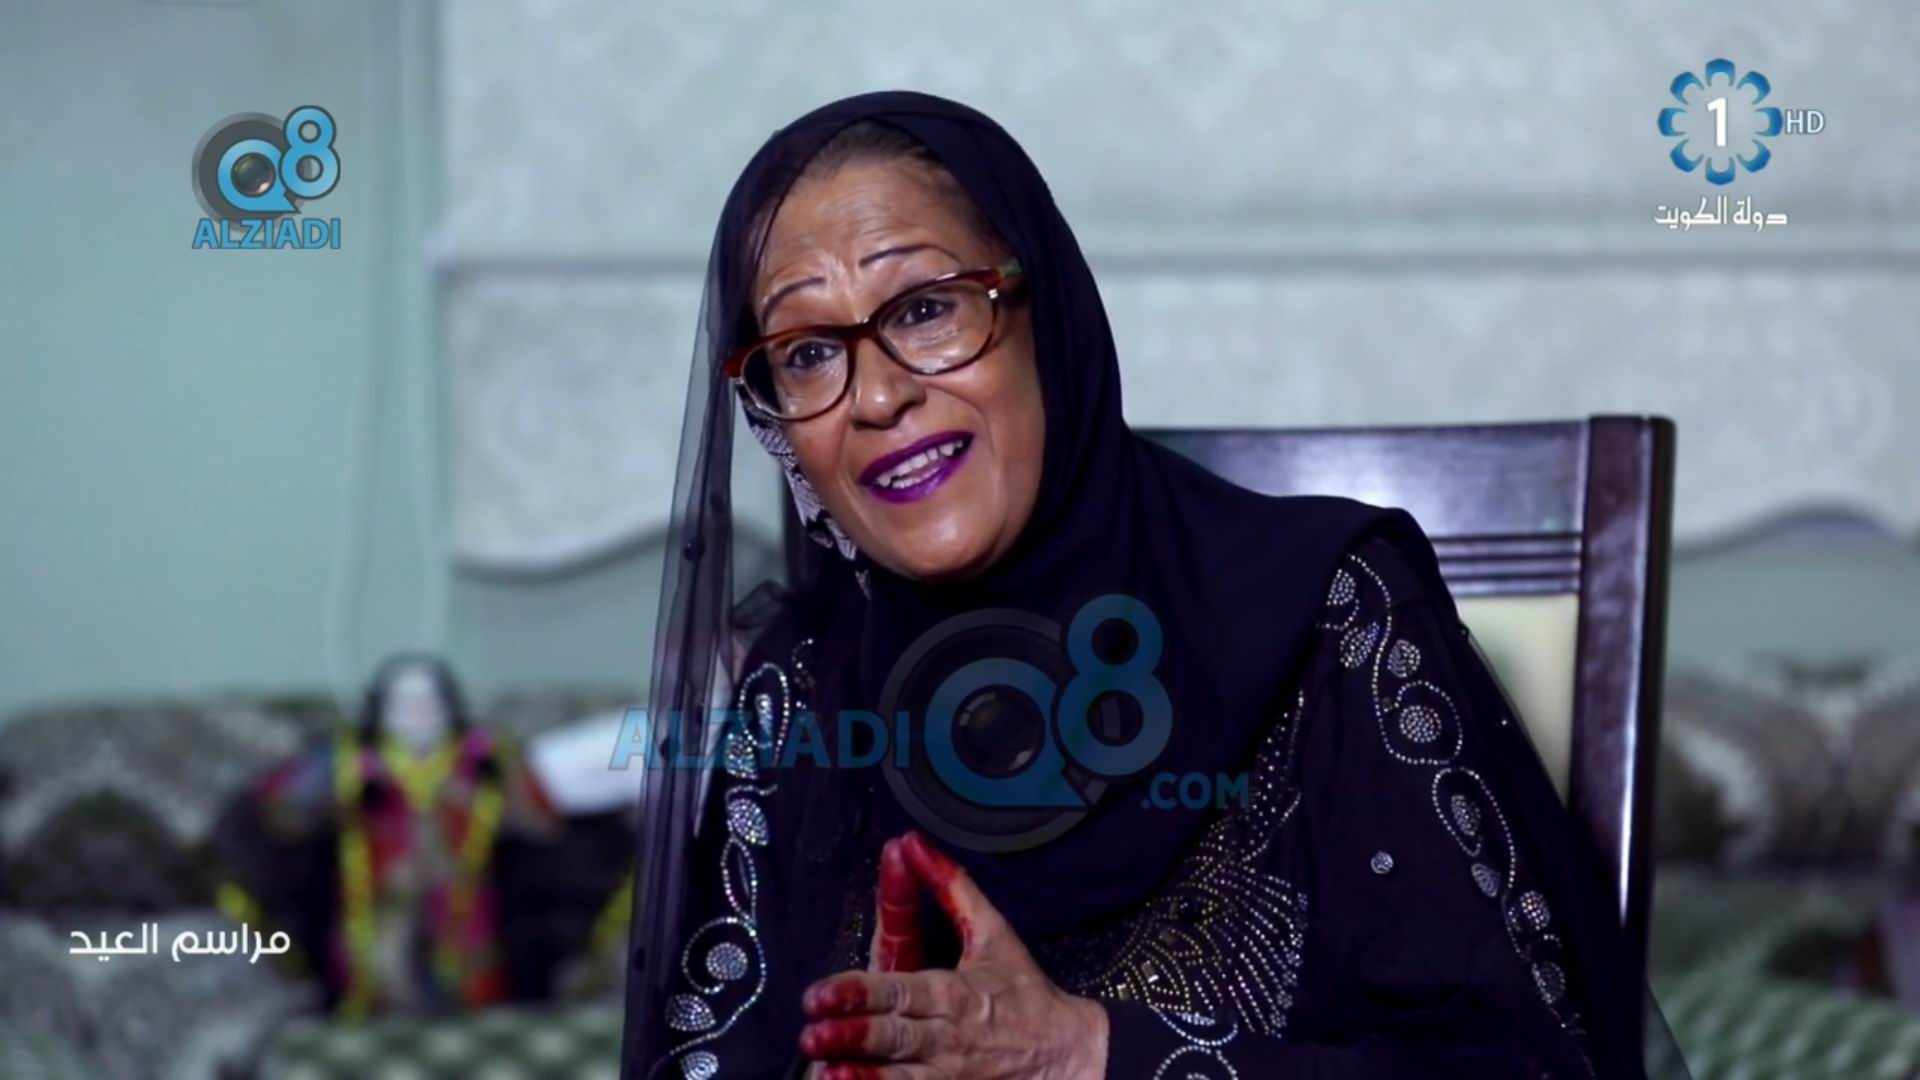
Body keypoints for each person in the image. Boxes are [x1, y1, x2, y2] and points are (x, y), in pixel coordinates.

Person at [623, 91, 1650, 1078]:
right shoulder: (803, 687)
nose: (879, 397)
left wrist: (1086, 1055)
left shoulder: (1335, 618)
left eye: (926, 308)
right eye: (808, 352)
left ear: (1049, 316)